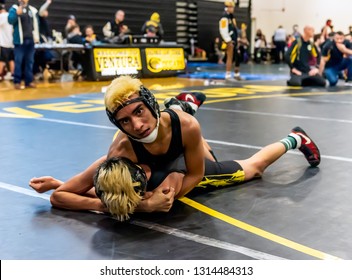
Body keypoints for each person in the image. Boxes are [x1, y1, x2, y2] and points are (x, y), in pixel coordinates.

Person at [30, 76, 321, 221]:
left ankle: (295, 138)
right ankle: (184, 105)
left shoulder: (184, 130)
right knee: (200, 154)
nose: (137, 124)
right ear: (118, 126)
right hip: (174, 156)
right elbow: (63, 197)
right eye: (126, 121)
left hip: (184, 163)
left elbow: (193, 174)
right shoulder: (120, 154)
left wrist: (156, 202)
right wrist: (120, 204)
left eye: (140, 112)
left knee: (253, 169)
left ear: (149, 104)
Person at [8, 0, 40, 89]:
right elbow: (10, 20)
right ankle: (17, 82)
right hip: (20, 41)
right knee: (18, 61)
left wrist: (37, 38)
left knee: (30, 62)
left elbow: (36, 25)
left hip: (31, 40)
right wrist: (16, 14)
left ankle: (28, 81)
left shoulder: (32, 10)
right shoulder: (14, 8)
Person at [219, 0, 242, 80]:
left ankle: (236, 74)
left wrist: (238, 38)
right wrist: (228, 40)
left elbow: (234, 29)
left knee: (237, 56)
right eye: (231, 7)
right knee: (230, 57)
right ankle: (228, 75)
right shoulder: (224, 18)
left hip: (234, 40)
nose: (233, 9)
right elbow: (223, 30)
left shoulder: (232, 17)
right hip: (229, 41)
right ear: (227, 8)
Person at [0, 4, 14, 81]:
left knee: (1, 59)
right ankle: (13, 74)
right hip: (11, 42)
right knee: (11, 59)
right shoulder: (10, 15)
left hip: (4, 42)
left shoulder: (1, 16)